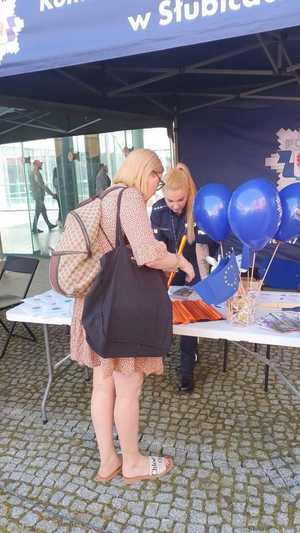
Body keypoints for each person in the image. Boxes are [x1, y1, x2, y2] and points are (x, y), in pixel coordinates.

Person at [70, 149, 195, 484]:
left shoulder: (104, 196)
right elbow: (146, 252)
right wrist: (180, 262)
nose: (155, 187)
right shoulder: (129, 197)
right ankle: (134, 462)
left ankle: (108, 460)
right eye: (156, 178)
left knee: (101, 386)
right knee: (128, 388)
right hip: (119, 308)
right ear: (145, 172)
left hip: (94, 304)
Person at [151, 163, 218, 393]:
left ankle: (187, 372)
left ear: (188, 193)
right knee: (165, 315)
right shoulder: (158, 210)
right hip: (168, 268)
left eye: (180, 200)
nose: (175, 205)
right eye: (170, 201)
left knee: (189, 320)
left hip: (195, 270)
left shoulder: (199, 209)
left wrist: (202, 276)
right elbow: (157, 246)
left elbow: (208, 247)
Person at [30, 160, 57, 234]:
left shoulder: (35, 173)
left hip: (38, 196)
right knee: (38, 212)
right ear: (36, 165)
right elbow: (42, 186)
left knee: (43, 211)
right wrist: (52, 194)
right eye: (39, 164)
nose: (41, 165)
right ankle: (35, 228)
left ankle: (48, 225)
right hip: (38, 197)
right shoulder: (36, 174)